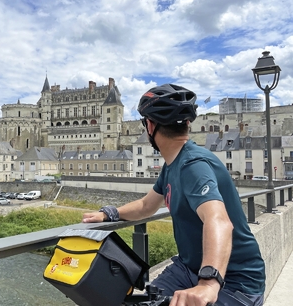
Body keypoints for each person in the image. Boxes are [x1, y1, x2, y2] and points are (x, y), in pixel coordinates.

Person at [83, 84, 265, 306]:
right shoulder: (172, 165)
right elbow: (146, 206)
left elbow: (218, 221)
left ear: (150, 126)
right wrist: (109, 213)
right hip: (187, 269)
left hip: (235, 283)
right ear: (188, 124)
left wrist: (208, 283)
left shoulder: (193, 164)